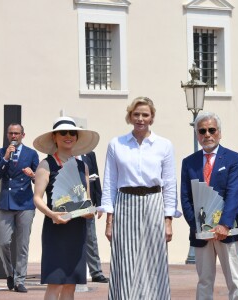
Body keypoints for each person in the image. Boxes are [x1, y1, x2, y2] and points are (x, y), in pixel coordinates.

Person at [97, 96, 181, 300]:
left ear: (152, 118)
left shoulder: (164, 145)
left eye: (145, 114)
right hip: (125, 203)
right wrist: (109, 220)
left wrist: (168, 220)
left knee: (154, 260)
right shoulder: (116, 144)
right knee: (125, 260)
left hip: (154, 203)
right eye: (136, 114)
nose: (140, 119)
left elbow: (169, 183)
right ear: (130, 116)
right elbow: (109, 181)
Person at [180, 112, 238, 300]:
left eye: (212, 130)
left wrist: (224, 225)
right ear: (197, 135)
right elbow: (185, 197)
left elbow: (234, 194)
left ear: (219, 133)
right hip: (202, 233)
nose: (207, 134)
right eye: (202, 131)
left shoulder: (234, 159)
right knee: (204, 281)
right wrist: (198, 226)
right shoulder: (189, 162)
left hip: (228, 231)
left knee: (236, 281)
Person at [33, 116, 99, 300]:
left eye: (72, 133)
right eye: (63, 132)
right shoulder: (46, 164)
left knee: (71, 284)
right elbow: (37, 198)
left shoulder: (82, 166)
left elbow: (86, 199)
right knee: (55, 283)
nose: (68, 136)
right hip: (55, 229)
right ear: (54, 137)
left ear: (77, 137)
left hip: (77, 230)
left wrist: (90, 211)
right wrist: (51, 213)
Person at [0, 123, 39, 293]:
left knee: (22, 244)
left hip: (25, 204)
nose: (14, 136)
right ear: (7, 135)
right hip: (6, 203)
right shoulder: (0, 153)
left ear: (23, 135)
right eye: (11, 133)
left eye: (17, 133)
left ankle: (20, 280)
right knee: (2, 242)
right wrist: (5, 158)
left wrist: (33, 175)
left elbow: (40, 180)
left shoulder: (31, 154)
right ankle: (10, 273)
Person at [80, 152, 109, 283]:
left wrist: (99, 203)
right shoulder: (61, 152)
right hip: (67, 203)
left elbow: (95, 178)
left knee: (91, 238)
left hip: (88, 203)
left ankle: (96, 272)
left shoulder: (89, 154)